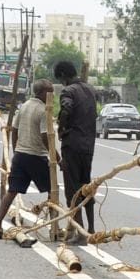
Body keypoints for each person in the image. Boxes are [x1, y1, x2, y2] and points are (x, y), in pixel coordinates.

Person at [0, 80, 53, 239]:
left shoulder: (24, 106)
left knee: (12, 191)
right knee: (53, 190)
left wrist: (16, 149)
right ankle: (54, 227)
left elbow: (14, 130)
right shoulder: (43, 110)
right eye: (50, 92)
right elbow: (45, 136)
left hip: (20, 155)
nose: (52, 95)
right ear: (42, 92)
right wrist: (55, 156)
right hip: (36, 156)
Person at [53, 60, 98, 236]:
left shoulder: (68, 91)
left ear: (63, 75)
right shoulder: (90, 90)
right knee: (86, 186)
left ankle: (80, 233)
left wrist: (61, 128)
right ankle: (91, 228)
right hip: (88, 146)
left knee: (72, 190)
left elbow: (66, 109)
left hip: (72, 145)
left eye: (60, 79)